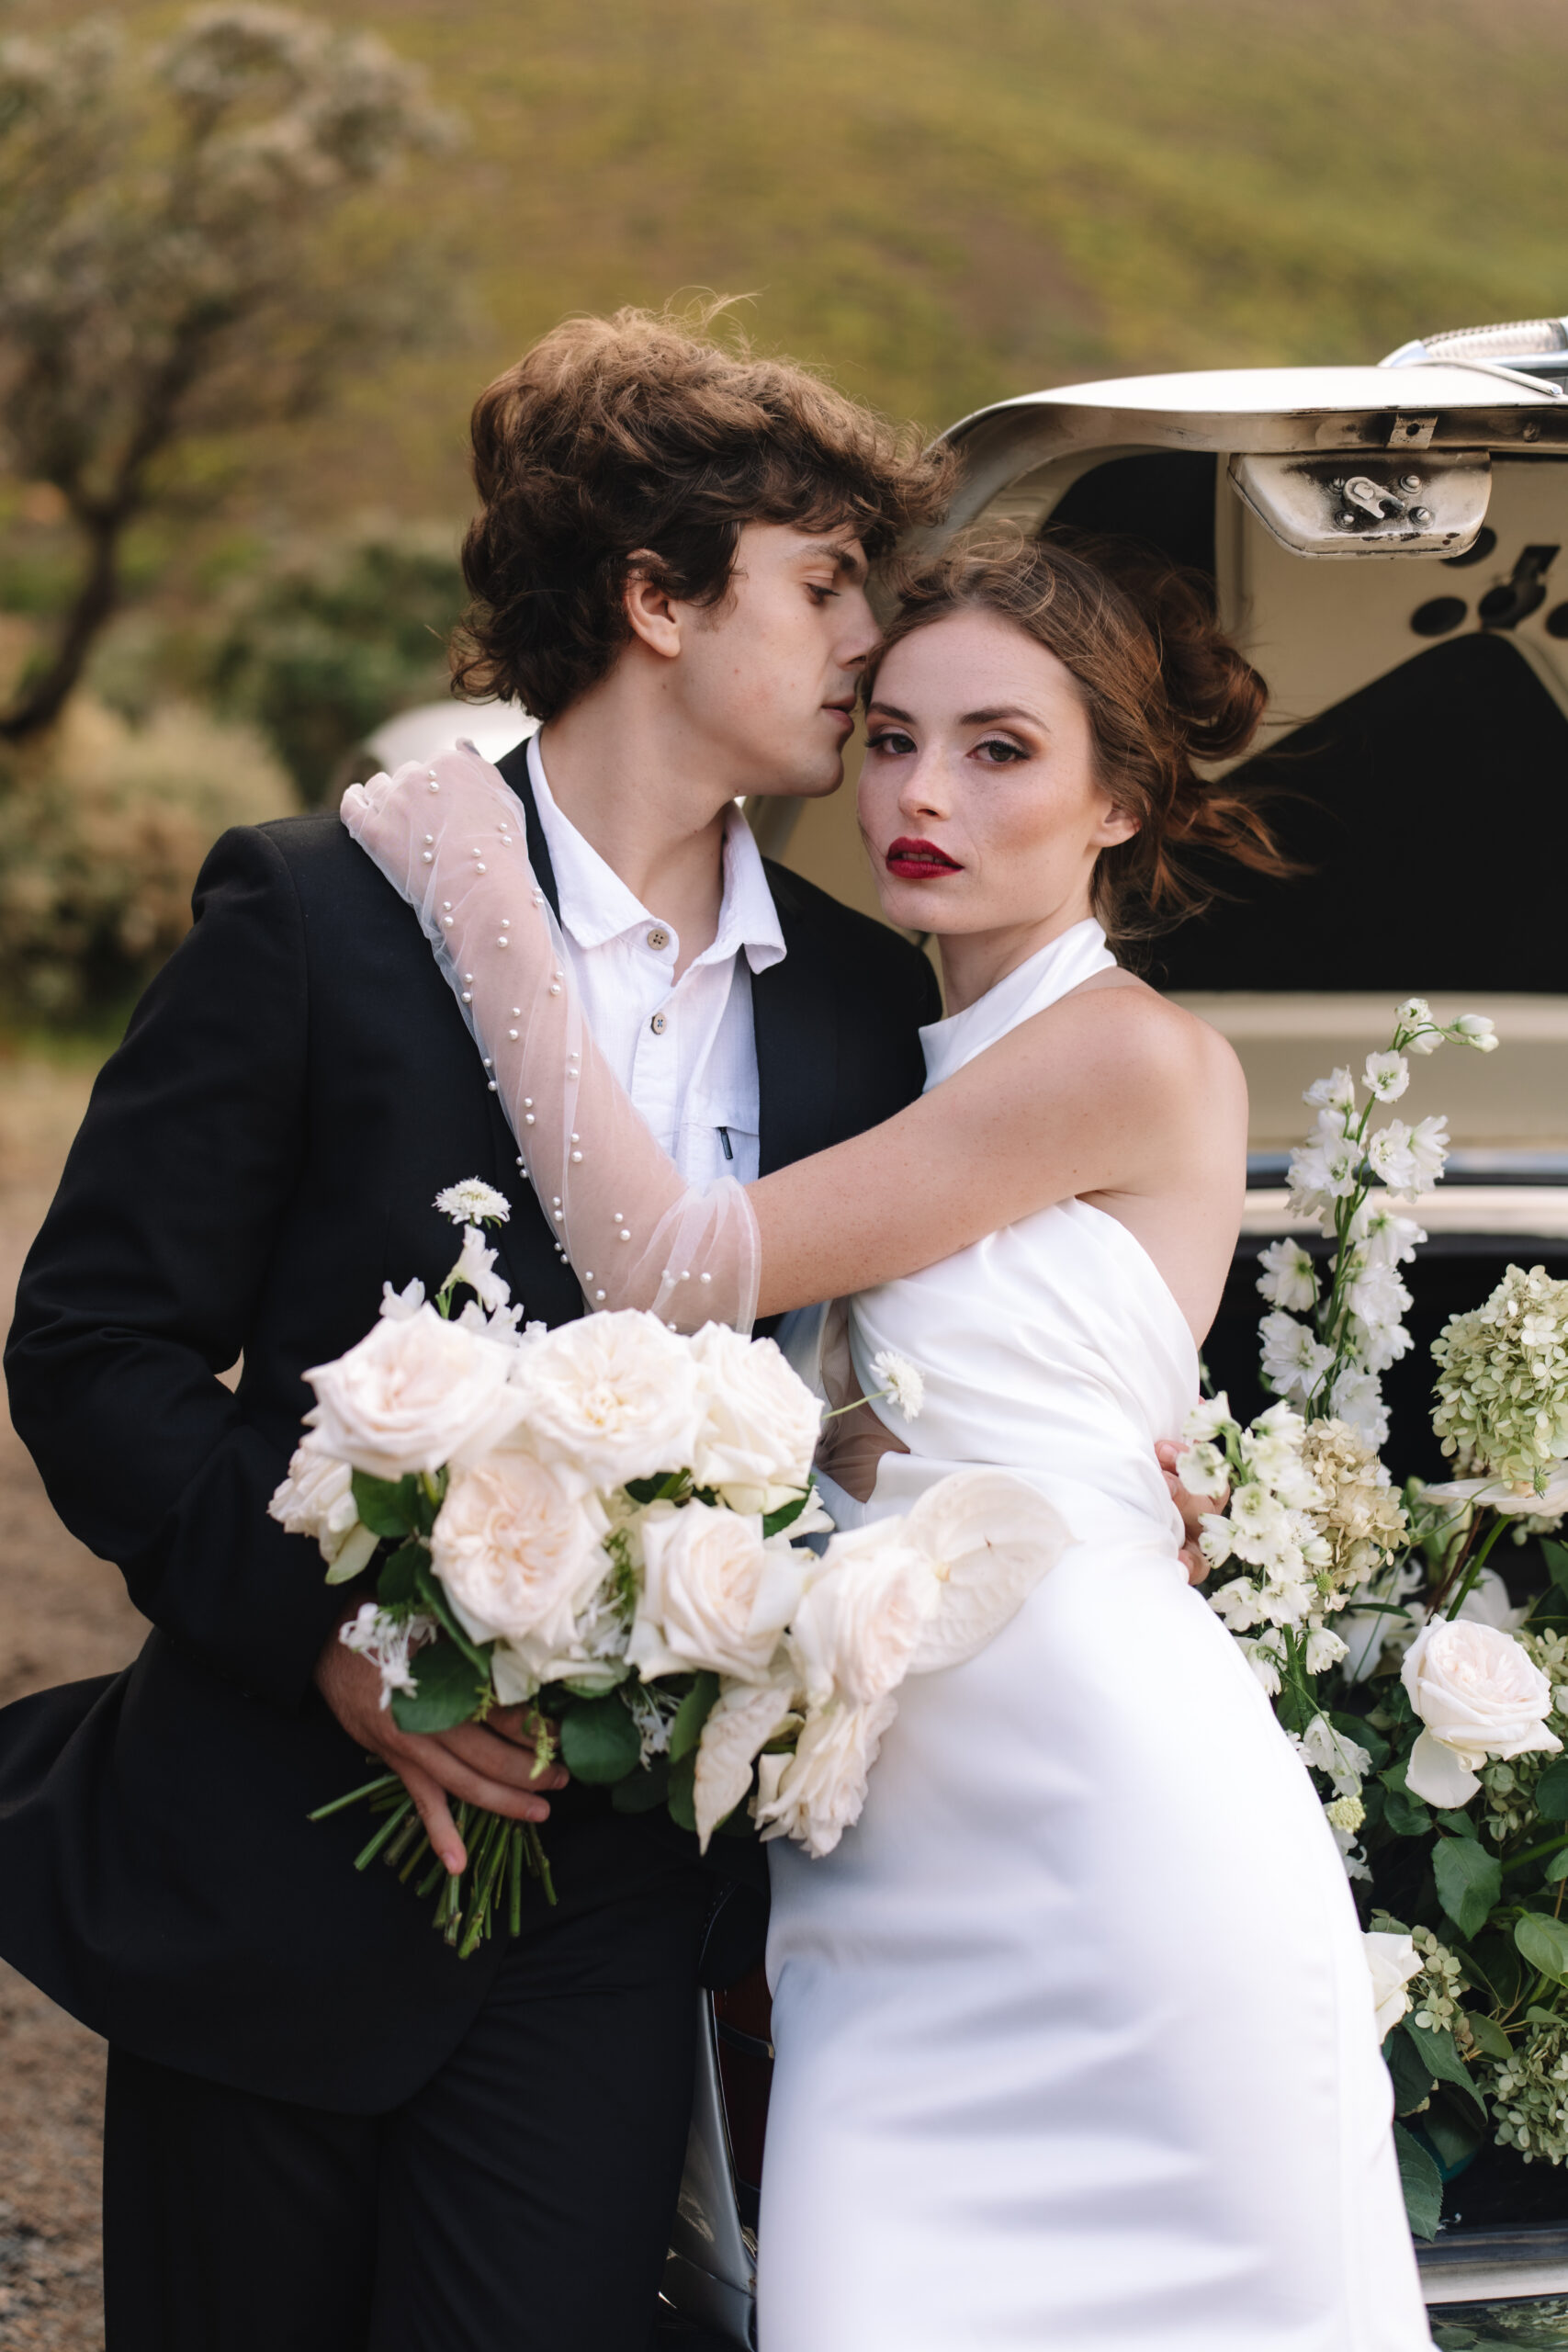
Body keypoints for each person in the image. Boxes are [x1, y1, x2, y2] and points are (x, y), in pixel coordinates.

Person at [346, 532, 1430, 2349]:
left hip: (1109, 1833)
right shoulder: (876, 1063)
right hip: (880, 1874)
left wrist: (480, 885)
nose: (922, 795)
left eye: (1000, 749)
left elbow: (669, 1264)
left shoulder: (1122, 1056)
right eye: (893, 739)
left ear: (1119, 800)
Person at [0, 310, 953, 2352]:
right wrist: (333, 1640)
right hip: (271, 1862)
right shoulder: (314, 914)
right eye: (821, 584)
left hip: (615, 1909)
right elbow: (92, 1347)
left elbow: (879, 1400)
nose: (869, 639)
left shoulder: (867, 1007)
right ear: (655, 599)